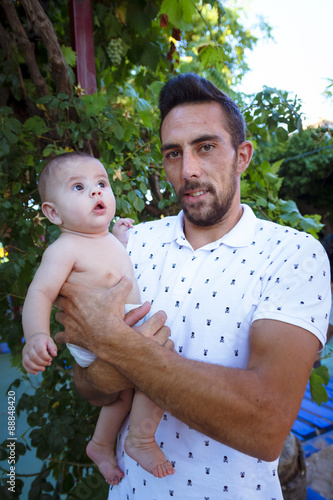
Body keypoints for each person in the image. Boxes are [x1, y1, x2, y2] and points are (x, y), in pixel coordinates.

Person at [54, 74, 331, 499]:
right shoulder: (129, 245)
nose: (189, 170)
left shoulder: (293, 254)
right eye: (173, 153)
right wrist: (103, 360)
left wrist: (114, 342)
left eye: (205, 147)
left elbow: (264, 425)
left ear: (242, 156)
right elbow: (89, 385)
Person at [21, 152, 175, 485]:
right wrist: (36, 335)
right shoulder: (64, 249)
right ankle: (140, 439)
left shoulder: (106, 240)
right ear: (53, 212)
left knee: (125, 392)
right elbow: (40, 293)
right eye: (78, 187)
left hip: (121, 328)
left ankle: (101, 443)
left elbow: (110, 266)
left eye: (101, 184)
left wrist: (119, 238)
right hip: (93, 333)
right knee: (162, 361)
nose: (96, 192)